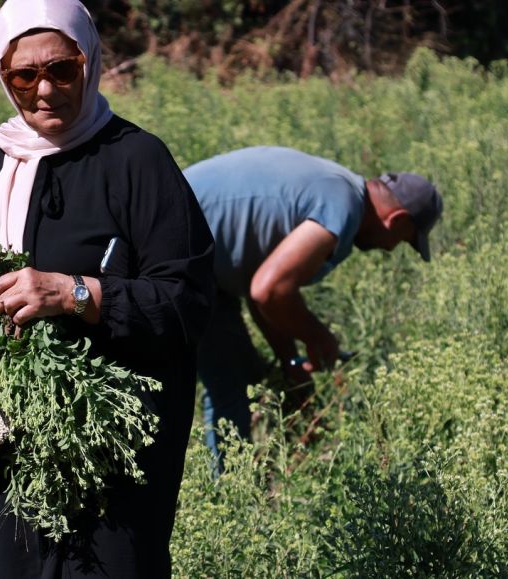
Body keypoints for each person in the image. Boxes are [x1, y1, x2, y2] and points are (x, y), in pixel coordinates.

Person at [0, 0, 215, 576]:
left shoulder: (137, 160)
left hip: (115, 451)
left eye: (62, 69)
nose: (44, 90)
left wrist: (74, 293)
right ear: (3, 76)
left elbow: (185, 301)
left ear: (90, 61)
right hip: (7, 447)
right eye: (24, 75)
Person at [183, 146, 442, 460]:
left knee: (248, 373)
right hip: (173, 247)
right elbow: (269, 290)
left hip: (190, 249)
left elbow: (261, 287)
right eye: (403, 240)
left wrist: (290, 361)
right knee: (230, 383)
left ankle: (248, 471)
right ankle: (227, 487)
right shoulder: (343, 208)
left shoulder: (339, 186)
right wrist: (320, 338)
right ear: (397, 220)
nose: (391, 249)